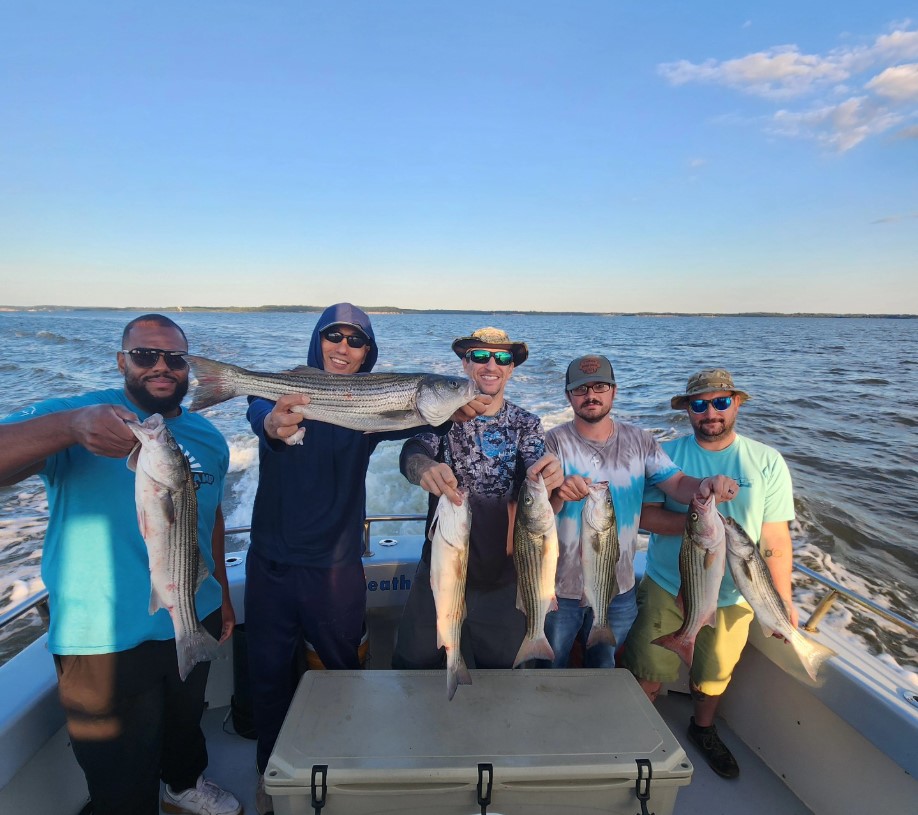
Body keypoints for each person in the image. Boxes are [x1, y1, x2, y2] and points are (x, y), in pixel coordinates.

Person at [244, 302, 482, 814]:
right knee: (265, 673)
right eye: (334, 336)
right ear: (318, 340)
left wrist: (457, 407)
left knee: (342, 669)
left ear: (368, 354)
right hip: (271, 562)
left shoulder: (375, 408)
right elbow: (263, 418)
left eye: (357, 342)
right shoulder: (281, 389)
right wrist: (275, 426)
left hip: (336, 564)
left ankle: (339, 766)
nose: (344, 348)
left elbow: (419, 424)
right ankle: (270, 768)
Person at [0, 314, 239, 815]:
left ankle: (183, 784)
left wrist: (224, 596)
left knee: (184, 721)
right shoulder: (78, 415)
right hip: (102, 631)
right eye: (145, 355)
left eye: (174, 358)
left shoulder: (208, 436)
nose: (161, 367)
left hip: (194, 609)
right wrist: (68, 428)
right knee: (119, 771)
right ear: (121, 360)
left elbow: (210, 519)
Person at [624, 368, 797, 780]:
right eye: (699, 405)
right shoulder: (668, 456)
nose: (711, 412)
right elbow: (644, 515)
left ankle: (702, 729)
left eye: (721, 402)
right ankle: (634, 739)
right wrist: (697, 523)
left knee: (713, 677)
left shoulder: (767, 461)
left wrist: (783, 600)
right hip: (668, 582)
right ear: (688, 411)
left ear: (736, 403)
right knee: (647, 668)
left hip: (737, 594)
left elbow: (775, 538)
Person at [543, 355, 739, 668]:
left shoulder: (640, 441)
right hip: (557, 588)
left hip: (619, 587)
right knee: (549, 665)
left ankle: (598, 712)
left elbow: (675, 484)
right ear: (568, 396)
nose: (590, 395)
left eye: (600, 386)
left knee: (603, 666)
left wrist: (707, 485)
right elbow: (538, 502)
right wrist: (556, 491)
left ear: (614, 391)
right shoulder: (550, 442)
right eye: (580, 390)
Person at [392, 326, 564, 672]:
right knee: (412, 666)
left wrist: (553, 478)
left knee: (503, 677)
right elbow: (411, 452)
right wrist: (422, 466)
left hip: (503, 579)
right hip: (440, 574)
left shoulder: (526, 425)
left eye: (502, 358)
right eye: (480, 356)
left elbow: (539, 474)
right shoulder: (442, 418)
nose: (491, 365)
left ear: (511, 368)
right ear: (465, 364)